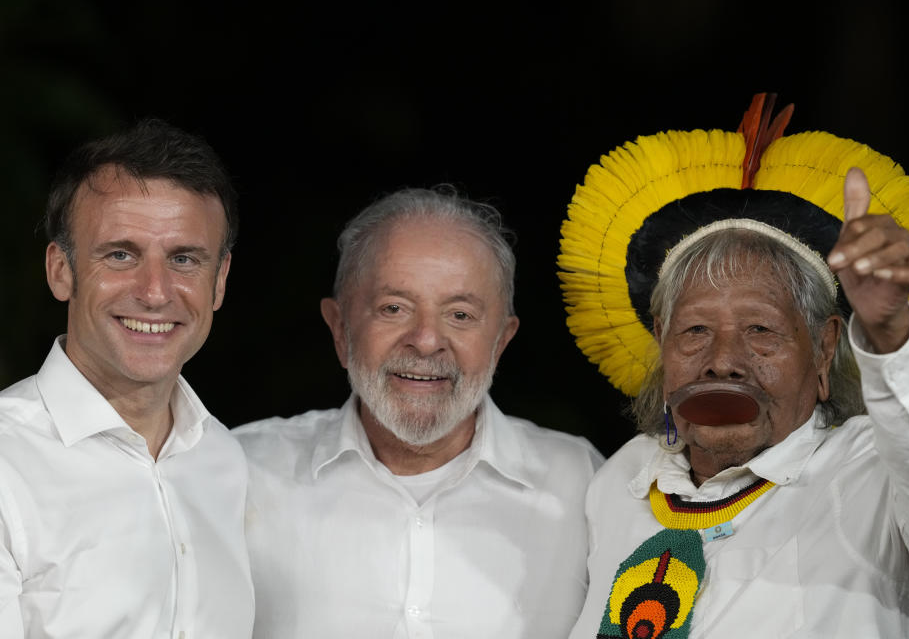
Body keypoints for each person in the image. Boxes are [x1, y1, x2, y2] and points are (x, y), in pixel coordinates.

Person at [557, 94, 909, 637]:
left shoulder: (878, 475)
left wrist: (892, 332)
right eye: (695, 330)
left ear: (823, 351)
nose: (723, 362)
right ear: (660, 343)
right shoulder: (620, 481)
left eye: (761, 331)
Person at [234, 187, 603, 638]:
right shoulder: (240, 471)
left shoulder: (583, 484)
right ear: (340, 330)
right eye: (394, 308)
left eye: (461, 315)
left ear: (501, 341)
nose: (427, 340)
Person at [0, 119, 254, 638]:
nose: (156, 292)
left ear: (219, 282)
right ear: (60, 270)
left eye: (184, 259)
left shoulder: (226, 461)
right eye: (121, 254)